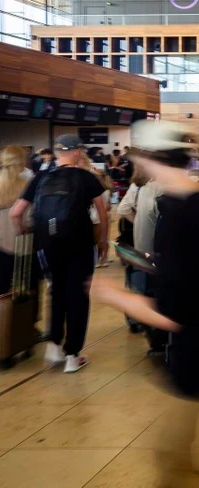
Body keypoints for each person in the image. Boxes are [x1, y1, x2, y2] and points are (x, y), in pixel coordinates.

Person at [91, 120, 199, 485]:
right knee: (181, 451)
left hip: (195, 345)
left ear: (149, 159)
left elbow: (173, 311)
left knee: (171, 464)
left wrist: (115, 295)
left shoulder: (177, 211)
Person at [10, 135, 107, 374]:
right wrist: (103, 241)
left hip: (48, 244)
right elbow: (102, 212)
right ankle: (73, 354)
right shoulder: (87, 177)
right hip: (80, 244)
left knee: (56, 290)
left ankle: (54, 346)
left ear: (56, 153)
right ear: (77, 152)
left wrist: (25, 230)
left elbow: (16, 212)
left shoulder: (40, 177)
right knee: (78, 295)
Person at [115, 165, 155, 333]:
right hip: (150, 240)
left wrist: (136, 220)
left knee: (136, 278)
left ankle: (134, 319)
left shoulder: (136, 185)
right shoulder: (156, 187)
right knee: (150, 281)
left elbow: (123, 208)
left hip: (134, 240)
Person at [0, 146, 31, 295]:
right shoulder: (27, 185)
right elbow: (30, 219)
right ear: (22, 161)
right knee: (23, 291)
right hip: (22, 244)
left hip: (1, 244)